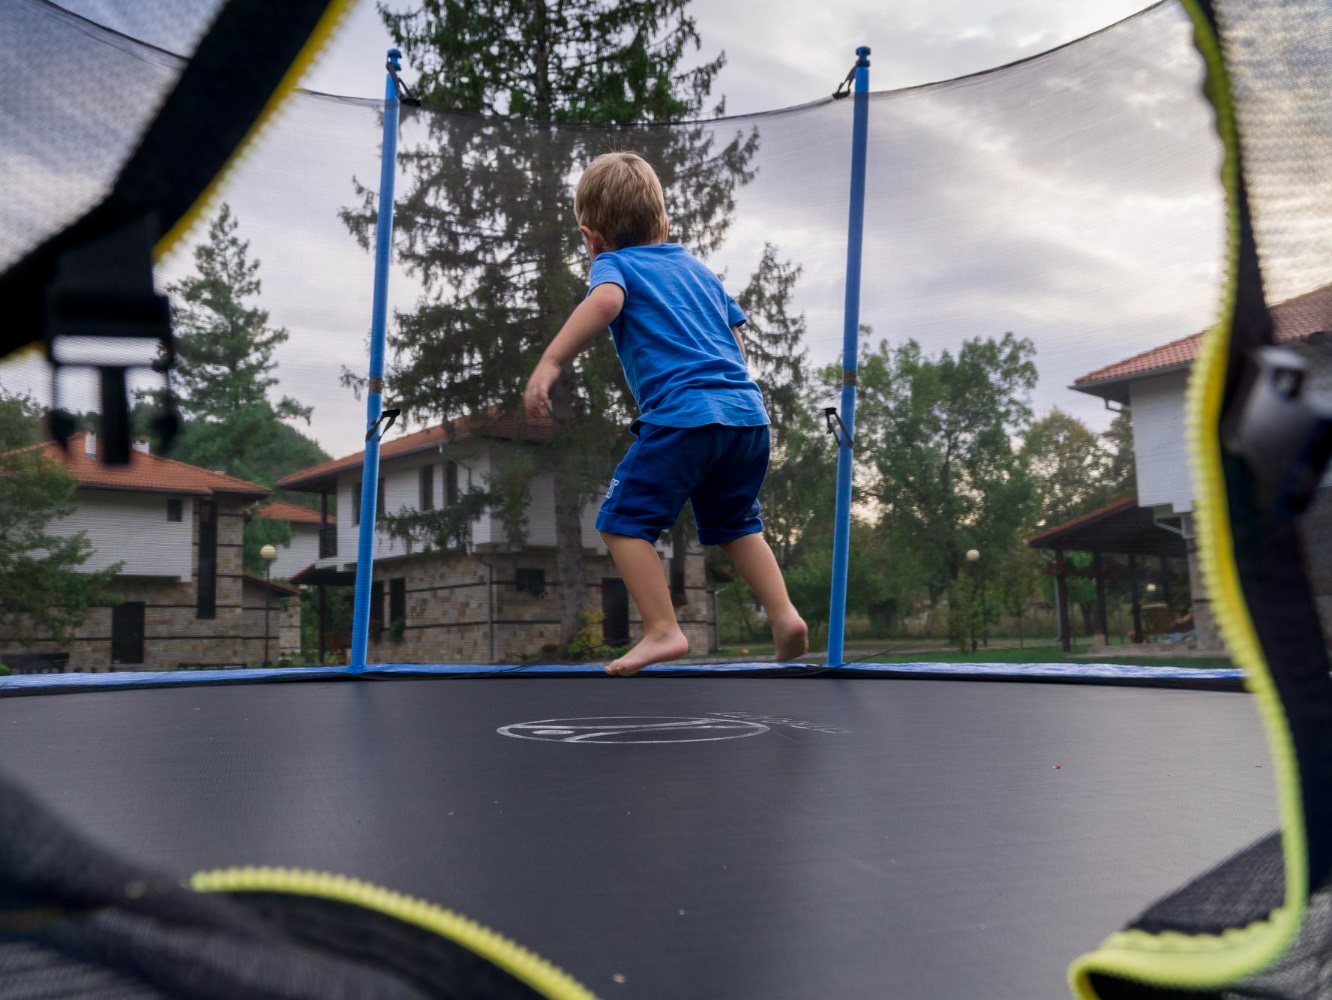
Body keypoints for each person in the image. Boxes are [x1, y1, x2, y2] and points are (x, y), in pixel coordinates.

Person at [524, 151, 807, 676]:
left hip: (683, 415)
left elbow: (605, 303)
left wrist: (551, 360)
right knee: (736, 525)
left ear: (592, 236)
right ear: (665, 221)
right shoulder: (700, 271)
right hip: (747, 416)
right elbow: (737, 342)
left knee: (622, 522)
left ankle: (662, 630)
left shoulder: (614, 264)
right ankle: (785, 616)